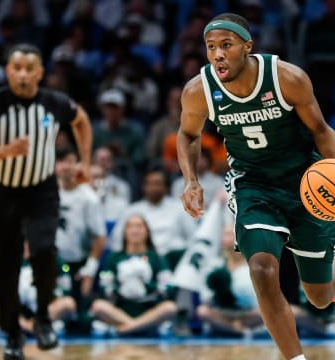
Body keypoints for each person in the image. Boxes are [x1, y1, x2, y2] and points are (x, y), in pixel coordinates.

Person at [176, 12, 335, 360]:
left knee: (320, 296)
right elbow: (188, 133)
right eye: (211, 47)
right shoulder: (198, 90)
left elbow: (321, 132)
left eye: (226, 45)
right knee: (261, 269)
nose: (217, 53)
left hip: (305, 182)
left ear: (247, 46)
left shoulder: (286, 78)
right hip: (253, 184)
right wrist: (191, 181)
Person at [0, 43, 92, 360]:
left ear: (41, 73)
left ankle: (43, 318)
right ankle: (12, 333)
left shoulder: (53, 103)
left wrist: (84, 161)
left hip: (41, 191)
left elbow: (80, 120)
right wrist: (4, 152)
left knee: (43, 250)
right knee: (5, 267)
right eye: (17, 68)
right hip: (2, 193)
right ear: (9, 71)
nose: (23, 74)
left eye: (30, 68)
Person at [90, 214, 177, 336]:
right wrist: (121, 289)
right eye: (130, 226)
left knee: (170, 308)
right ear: (125, 232)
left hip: (148, 308)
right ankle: (139, 326)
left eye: (139, 226)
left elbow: (168, 287)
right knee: (98, 306)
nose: (135, 230)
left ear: (147, 231)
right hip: (121, 308)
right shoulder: (113, 258)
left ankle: (124, 329)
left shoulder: (157, 258)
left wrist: (146, 286)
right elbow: (105, 286)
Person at [55, 146, 106, 326]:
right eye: (60, 162)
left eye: (70, 161)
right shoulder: (46, 193)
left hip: (77, 265)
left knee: (81, 319)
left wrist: (90, 269)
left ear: (79, 165)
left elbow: (99, 237)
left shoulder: (89, 198)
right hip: (51, 263)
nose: (65, 167)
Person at [0, 241, 76, 335]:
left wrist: (53, 293)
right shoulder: (9, 260)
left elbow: (65, 288)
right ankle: (22, 326)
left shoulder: (54, 260)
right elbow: (0, 288)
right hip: (16, 309)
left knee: (68, 303)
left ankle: (40, 323)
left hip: (46, 308)